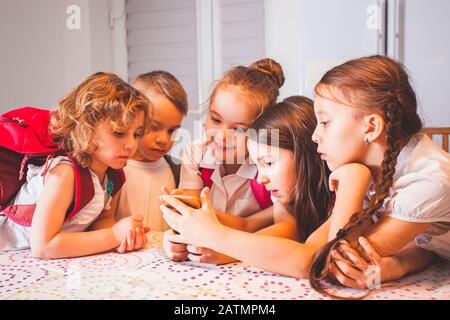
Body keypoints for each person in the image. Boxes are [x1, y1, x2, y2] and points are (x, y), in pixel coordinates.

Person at [308, 55, 450, 296]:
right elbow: (425, 243)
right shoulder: (380, 165)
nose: (314, 136)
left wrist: (353, 178)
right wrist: (397, 266)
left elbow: (334, 262)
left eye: (324, 122)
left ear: (371, 127)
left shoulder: (429, 180)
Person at [0, 72, 151, 258]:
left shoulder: (113, 175)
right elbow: (43, 246)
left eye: (136, 134)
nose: (131, 144)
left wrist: (125, 236)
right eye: (119, 133)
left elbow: (102, 220)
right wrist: (113, 235)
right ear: (86, 129)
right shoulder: (64, 172)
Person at [115, 71, 188, 231]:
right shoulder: (114, 168)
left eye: (171, 131)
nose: (164, 139)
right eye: (154, 127)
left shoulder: (179, 171)